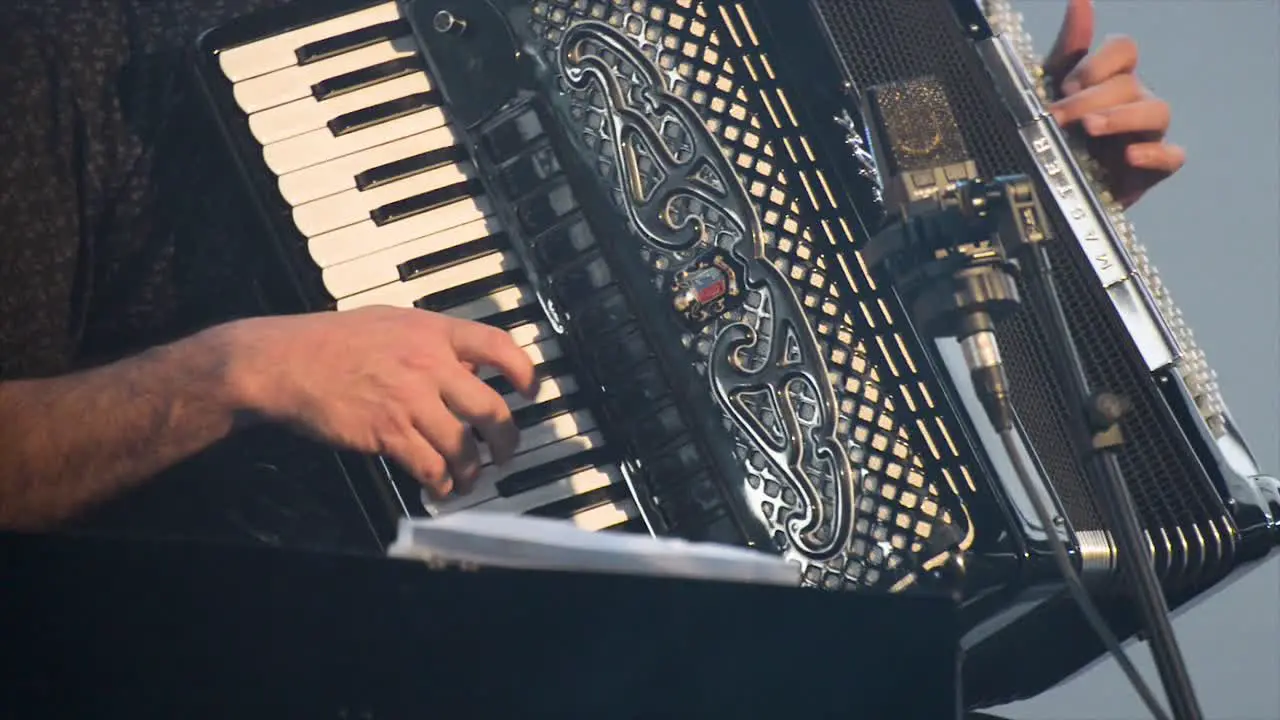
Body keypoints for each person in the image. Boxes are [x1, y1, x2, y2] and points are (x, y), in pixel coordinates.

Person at [0, 0, 1184, 532]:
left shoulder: (700, 36)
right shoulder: (80, 44)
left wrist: (1018, 224)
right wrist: (229, 375)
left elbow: (792, 425)